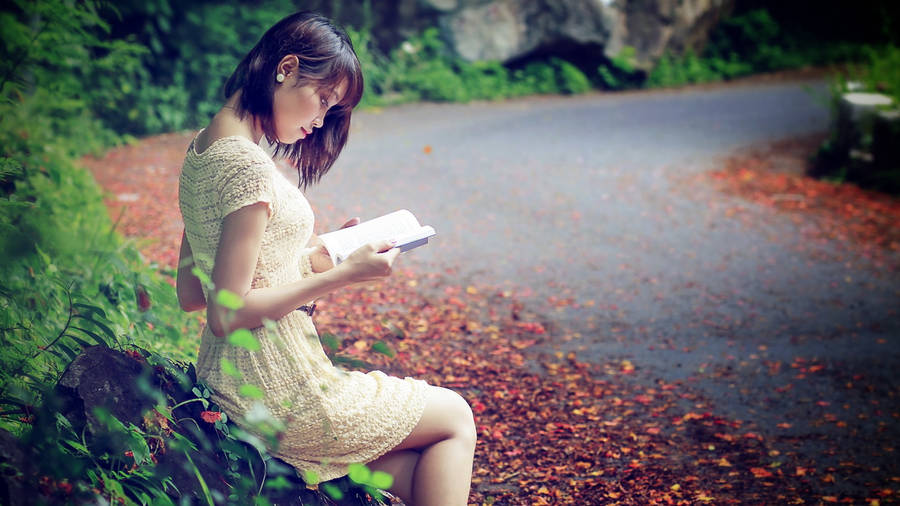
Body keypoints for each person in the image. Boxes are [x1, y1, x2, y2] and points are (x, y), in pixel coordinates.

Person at [174, 12, 476, 505]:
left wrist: (323, 255)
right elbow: (226, 313)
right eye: (323, 100)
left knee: (420, 468)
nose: (319, 121)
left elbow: (192, 290)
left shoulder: (203, 150)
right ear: (286, 68)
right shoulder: (248, 167)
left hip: (231, 379)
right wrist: (344, 277)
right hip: (278, 389)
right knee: (457, 416)